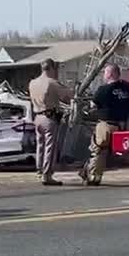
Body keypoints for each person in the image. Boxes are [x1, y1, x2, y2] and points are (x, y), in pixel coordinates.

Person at [79, 64, 129, 186]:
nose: (104, 75)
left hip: (105, 125)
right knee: (106, 153)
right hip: (121, 127)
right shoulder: (126, 89)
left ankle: (93, 176)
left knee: (97, 150)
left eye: (105, 73)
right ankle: (94, 174)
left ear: (110, 74)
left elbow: (92, 105)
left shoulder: (103, 90)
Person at [28, 58, 73, 186]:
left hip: (37, 117)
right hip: (49, 118)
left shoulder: (32, 83)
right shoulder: (52, 83)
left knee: (40, 145)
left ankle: (40, 169)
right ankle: (47, 175)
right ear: (52, 68)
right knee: (50, 148)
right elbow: (68, 96)